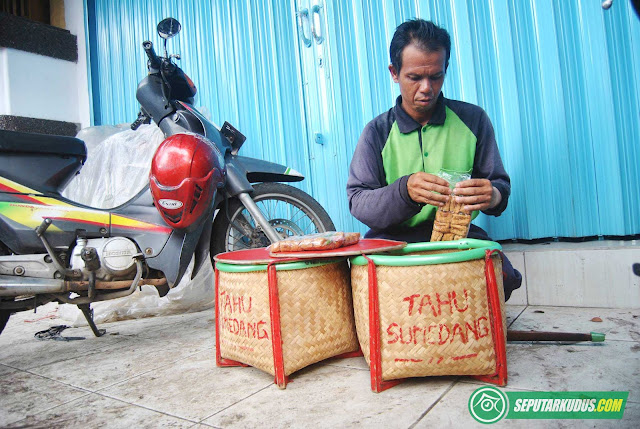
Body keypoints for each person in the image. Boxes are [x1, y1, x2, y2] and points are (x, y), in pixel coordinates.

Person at [346, 19, 522, 300]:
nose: (426, 87)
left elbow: (499, 185)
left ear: (445, 70)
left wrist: (494, 196)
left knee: (504, 276)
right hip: (392, 240)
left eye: (435, 76)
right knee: (362, 291)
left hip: (458, 236)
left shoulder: (472, 120)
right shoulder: (376, 132)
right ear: (395, 73)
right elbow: (358, 201)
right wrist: (404, 191)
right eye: (415, 77)